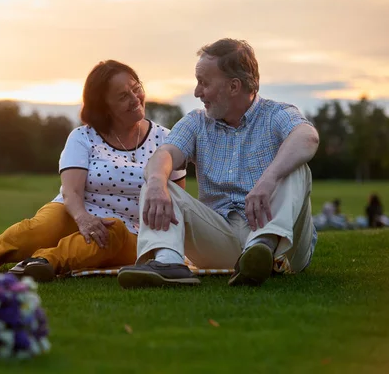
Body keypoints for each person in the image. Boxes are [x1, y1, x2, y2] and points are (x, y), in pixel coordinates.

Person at [0, 60, 186, 281]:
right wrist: (83, 218)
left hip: (132, 232)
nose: (135, 98)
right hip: (75, 211)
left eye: (136, 88)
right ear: (105, 106)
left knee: (109, 233)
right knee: (40, 228)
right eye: (123, 96)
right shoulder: (83, 137)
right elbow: (71, 192)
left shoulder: (167, 140)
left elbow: (177, 198)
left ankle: (43, 262)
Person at [117, 38, 320, 288]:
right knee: (156, 177)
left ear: (234, 86)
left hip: (285, 244)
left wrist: (269, 179)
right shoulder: (196, 122)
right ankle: (168, 263)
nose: (197, 92)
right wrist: (158, 183)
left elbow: (307, 137)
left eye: (204, 83)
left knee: (297, 166)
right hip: (222, 236)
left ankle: (263, 247)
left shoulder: (276, 114)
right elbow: (164, 154)